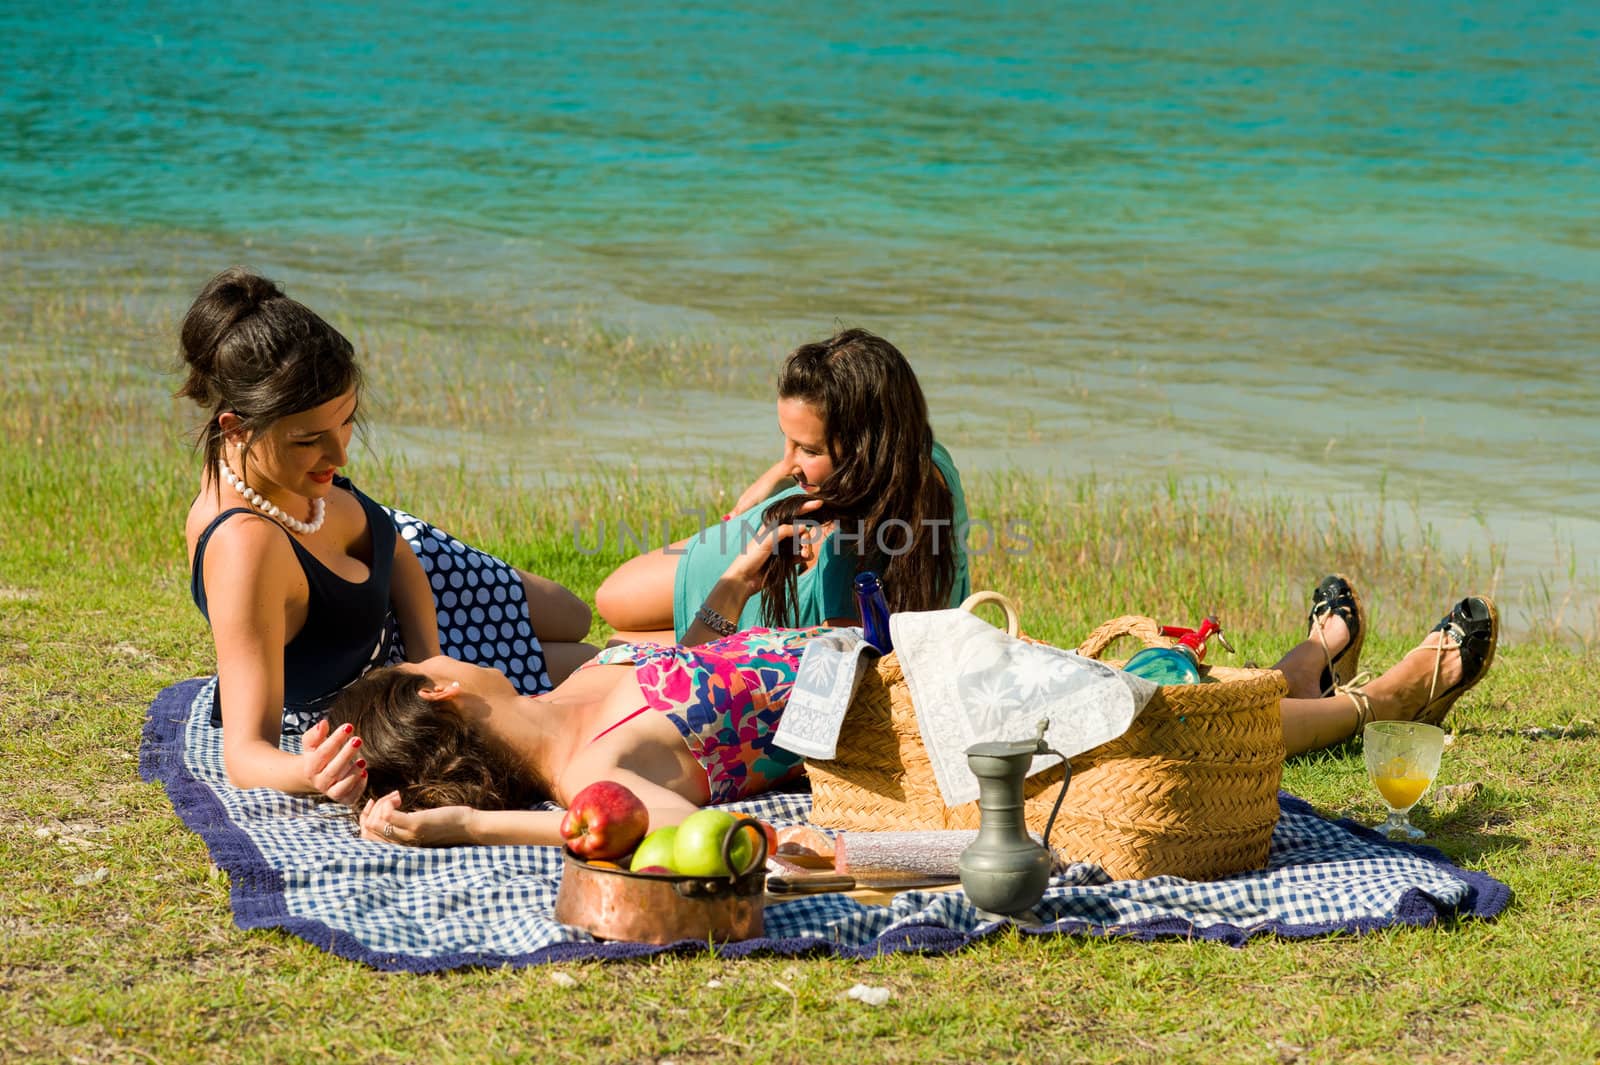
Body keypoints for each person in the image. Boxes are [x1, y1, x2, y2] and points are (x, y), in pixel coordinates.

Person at [346, 579, 1498, 847]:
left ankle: (1310, 659)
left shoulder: (574, 689)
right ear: (444, 687)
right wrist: (457, 825)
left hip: (918, 656)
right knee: (1156, 719)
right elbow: (645, 833)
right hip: (912, 721)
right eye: (429, 663)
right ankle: (1378, 694)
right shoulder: (596, 764)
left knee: (1156, 690)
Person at [179, 267, 597, 802]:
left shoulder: (272, 460)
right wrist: (311, 773)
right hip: (376, 663)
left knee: (574, 616)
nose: (340, 456)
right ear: (235, 428)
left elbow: (396, 551)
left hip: (417, 570)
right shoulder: (245, 546)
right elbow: (245, 753)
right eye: (311, 440)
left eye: (347, 421)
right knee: (589, 662)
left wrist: (432, 659)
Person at [594, 328, 970, 645]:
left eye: (808, 449)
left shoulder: (859, 539)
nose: (790, 464)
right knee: (613, 602)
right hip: (784, 524)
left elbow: (842, 661)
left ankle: (704, 635)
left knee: (621, 642)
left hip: (782, 564)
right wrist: (776, 474)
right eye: (787, 441)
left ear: (866, 449)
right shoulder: (921, 455)